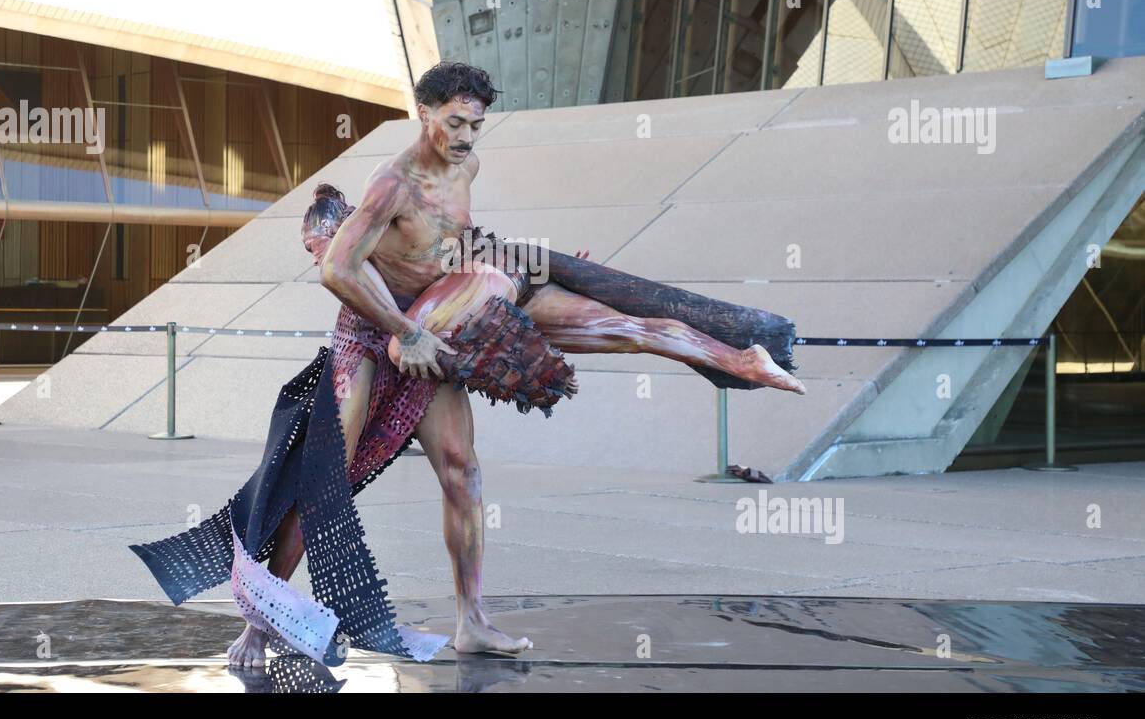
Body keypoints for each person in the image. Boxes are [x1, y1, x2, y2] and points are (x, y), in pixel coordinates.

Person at [132, 61, 803, 672]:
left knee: (463, 472)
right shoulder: (391, 184)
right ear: (423, 114)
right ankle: (261, 620)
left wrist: (543, 266)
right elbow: (339, 269)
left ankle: (472, 621)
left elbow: (461, 248)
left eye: (476, 125)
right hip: (378, 337)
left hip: (438, 325)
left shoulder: (465, 170)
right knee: (325, 476)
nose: (466, 136)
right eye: (455, 123)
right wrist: (402, 330)